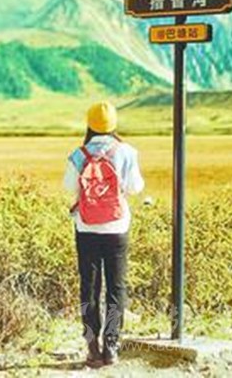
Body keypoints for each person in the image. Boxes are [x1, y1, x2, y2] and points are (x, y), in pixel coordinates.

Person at [63, 101, 144, 368]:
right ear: (113, 124)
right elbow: (135, 187)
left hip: (86, 228)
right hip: (117, 227)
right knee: (116, 287)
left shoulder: (79, 154)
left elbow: (68, 186)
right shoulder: (126, 151)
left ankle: (92, 347)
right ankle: (111, 347)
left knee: (89, 287)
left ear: (89, 124)